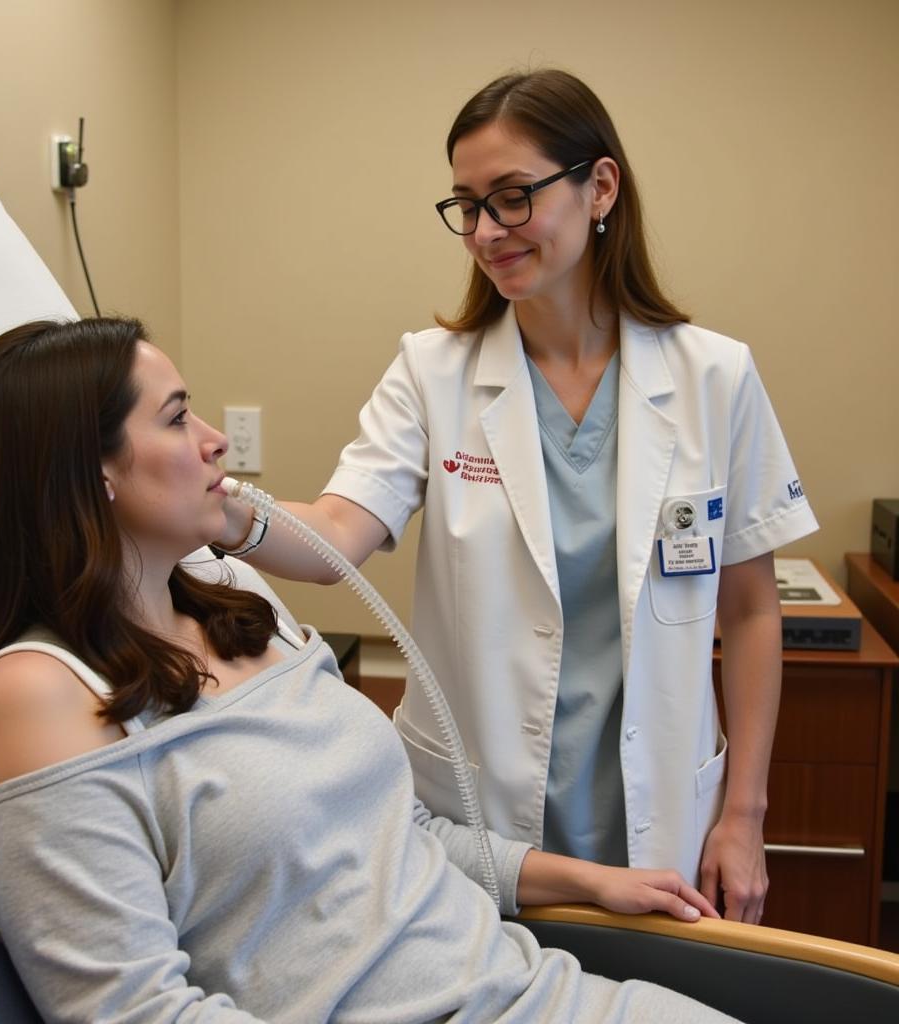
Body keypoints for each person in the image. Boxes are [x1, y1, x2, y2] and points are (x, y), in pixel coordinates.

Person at [0, 316, 738, 1023]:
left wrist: (582, 881)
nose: (215, 439)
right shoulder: (36, 697)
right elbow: (131, 1008)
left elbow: (397, 840)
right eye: (179, 419)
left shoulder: (239, 604)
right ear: (90, 470)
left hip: (524, 984)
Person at [214, 69, 818, 924]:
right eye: (466, 205)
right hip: (481, 816)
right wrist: (221, 505)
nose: (486, 232)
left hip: (660, 812)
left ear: (599, 186)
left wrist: (745, 815)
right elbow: (335, 535)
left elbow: (752, 611)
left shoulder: (713, 376)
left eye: (512, 198)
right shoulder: (433, 373)